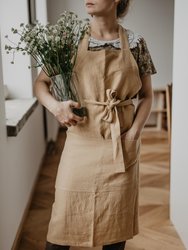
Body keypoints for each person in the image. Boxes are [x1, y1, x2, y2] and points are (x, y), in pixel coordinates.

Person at [34, 0, 156, 249]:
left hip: (120, 145)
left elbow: (147, 95)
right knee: (61, 225)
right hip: (81, 143)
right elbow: (40, 84)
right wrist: (56, 108)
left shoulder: (136, 43)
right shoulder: (69, 40)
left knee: (115, 227)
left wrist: (133, 133)